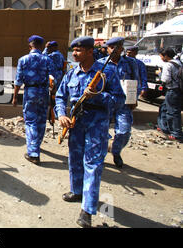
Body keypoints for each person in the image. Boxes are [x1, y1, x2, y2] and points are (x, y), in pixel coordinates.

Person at [55, 36, 125, 228]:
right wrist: (61, 115)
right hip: (76, 124)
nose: (74, 54)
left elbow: (119, 100)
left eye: (78, 51)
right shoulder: (72, 73)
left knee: (92, 165)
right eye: (73, 51)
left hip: (97, 125)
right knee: (75, 160)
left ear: (89, 51)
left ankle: (87, 209)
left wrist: (98, 96)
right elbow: (60, 96)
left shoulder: (107, 72)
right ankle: (77, 191)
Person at [12, 35, 56, 165]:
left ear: (30, 46)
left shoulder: (23, 60)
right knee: (41, 121)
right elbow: (54, 78)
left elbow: (18, 80)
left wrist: (15, 96)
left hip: (30, 92)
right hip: (43, 92)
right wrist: (53, 94)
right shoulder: (47, 60)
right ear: (41, 46)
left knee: (30, 121)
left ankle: (33, 153)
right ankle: (36, 145)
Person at [99, 37, 140, 168]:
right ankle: (100, 154)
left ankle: (116, 151)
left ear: (122, 48)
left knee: (124, 131)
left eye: (117, 48)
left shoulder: (130, 63)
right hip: (106, 101)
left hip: (124, 102)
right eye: (111, 48)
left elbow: (135, 81)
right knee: (101, 130)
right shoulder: (100, 64)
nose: (114, 50)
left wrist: (134, 98)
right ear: (107, 49)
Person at [157, 48, 183, 142]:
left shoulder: (168, 65)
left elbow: (165, 80)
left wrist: (159, 74)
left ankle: (176, 134)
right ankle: (164, 128)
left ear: (166, 56)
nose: (161, 58)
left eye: (161, 56)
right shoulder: (178, 63)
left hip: (172, 90)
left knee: (172, 112)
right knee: (164, 108)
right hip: (178, 90)